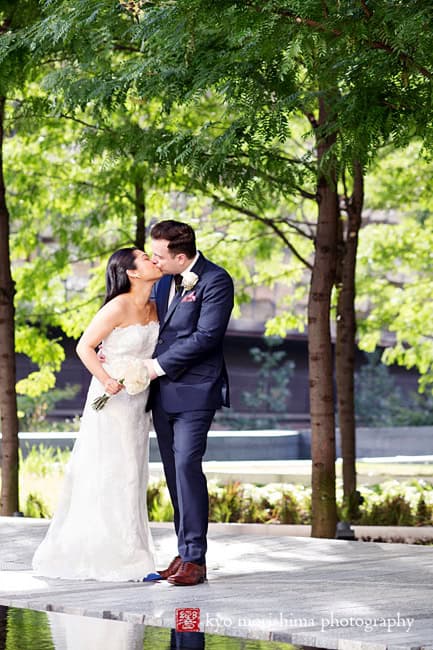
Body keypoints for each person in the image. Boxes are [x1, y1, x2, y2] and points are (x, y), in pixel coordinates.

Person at [32, 248, 162, 581]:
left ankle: (135, 552)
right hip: (111, 397)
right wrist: (106, 380)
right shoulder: (117, 306)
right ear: (132, 272)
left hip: (139, 397)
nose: (153, 260)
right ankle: (114, 556)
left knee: (135, 471)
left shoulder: (155, 305)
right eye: (146, 258)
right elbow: (84, 346)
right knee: (112, 470)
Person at [144, 220, 234, 586]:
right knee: (172, 473)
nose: (154, 259)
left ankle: (196, 559)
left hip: (196, 391)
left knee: (186, 466)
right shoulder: (164, 279)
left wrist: (156, 366)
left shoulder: (215, 280)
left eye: (159, 254)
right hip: (160, 393)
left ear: (181, 257)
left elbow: (207, 336)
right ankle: (183, 553)